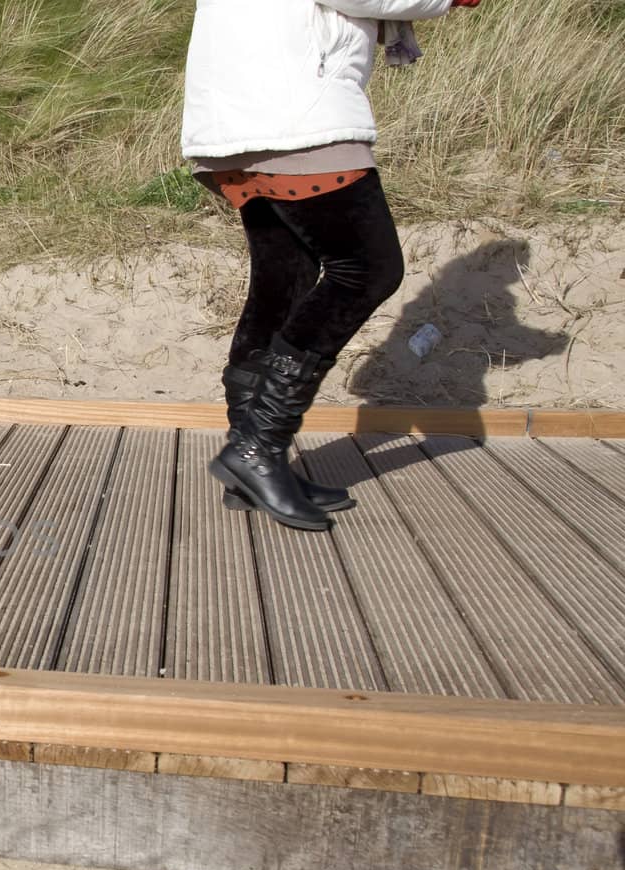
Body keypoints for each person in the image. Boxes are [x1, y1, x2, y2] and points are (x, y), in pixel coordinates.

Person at [181, 0, 479, 531]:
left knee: (284, 277)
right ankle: (257, 449)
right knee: (368, 269)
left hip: (234, 112)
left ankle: (251, 465)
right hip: (295, 112)